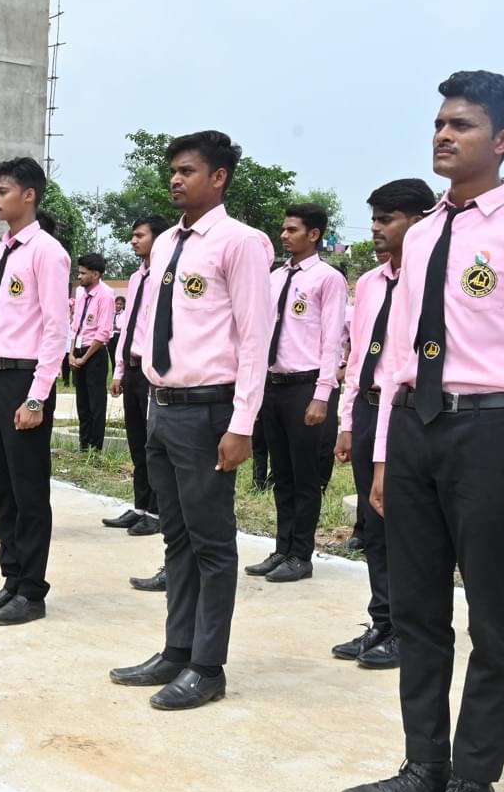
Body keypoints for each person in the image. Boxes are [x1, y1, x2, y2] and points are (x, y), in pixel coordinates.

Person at [340, 71, 504, 792]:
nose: (444, 134)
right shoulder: (424, 233)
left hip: (490, 433)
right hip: (412, 431)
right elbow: (397, 356)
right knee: (417, 609)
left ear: (503, 140)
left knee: (495, 616)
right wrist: (381, 458)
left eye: (463, 125)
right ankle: (423, 765)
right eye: (440, 122)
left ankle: (475, 781)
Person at [107, 130, 271, 711]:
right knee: (174, 536)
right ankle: (176, 650)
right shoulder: (168, 246)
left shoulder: (241, 243)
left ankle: (208, 664)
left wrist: (243, 422)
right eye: (172, 170)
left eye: (188, 170)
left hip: (209, 409)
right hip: (162, 405)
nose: (175, 179)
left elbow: (254, 338)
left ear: (219, 177)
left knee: (211, 542)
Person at [330, 179, 433, 670]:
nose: (375, 228)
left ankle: (409, 629)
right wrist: (348, 420)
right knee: (373, 525)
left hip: (409, 412)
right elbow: (359, 357)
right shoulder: (370, 284)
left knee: (404, 526)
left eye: (386, 219)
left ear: (417, 220)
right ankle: (383, 620)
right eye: (373, 218)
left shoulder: (432, 276)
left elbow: (404, 361)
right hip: (370, 408)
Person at [0, 157, 70, 626]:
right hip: (0, 376)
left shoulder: (48, 252)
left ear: (28, 195)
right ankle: (11, 578)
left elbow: (55, 327)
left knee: (28, 489)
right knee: (3, 488)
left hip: (28, 378)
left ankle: (32, 589)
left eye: (3, 190)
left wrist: (37, 396)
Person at [245, 203, 348, 584]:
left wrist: (322, 394)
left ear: (314, 234)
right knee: (281, 474)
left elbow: (332, 340)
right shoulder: (273, 278)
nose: (284, 235)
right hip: (274, 386)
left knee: (305, 477)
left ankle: (301, 554)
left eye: (292, 230)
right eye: (283, 229)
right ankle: (282, 547)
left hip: (306, 387)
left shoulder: (327, 278)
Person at [108, 215, 171, 553]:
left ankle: (158, 511)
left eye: (139, 235)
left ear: (157, 239)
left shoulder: (166, 276)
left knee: (153, 444)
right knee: (136, 441)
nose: (133, 241)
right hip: (131, 368)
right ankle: (140, 506)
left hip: (151, 371)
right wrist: (119, 370)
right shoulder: (135, 278)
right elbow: (128, 325)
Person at [69, 252, 116, 451]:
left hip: (94, 353)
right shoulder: (80, 293)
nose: (79, 276)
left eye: (83, 273)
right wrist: (72, 353)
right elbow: (75, 325)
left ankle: (95, 446)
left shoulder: (106, 295)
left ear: (95, 275)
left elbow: (103, 331)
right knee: (82, 401)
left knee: (96, 401)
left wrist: (85, 357)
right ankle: (83, 442)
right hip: (78, 350)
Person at [109, 295, 126, 364]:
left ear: (123, 305)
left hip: (119, 336)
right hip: (111, 337)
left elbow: (125, 327)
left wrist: (117, 327)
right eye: (117, 303)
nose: (118, 306)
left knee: (118, 357)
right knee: (112, 357)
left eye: (120, 304)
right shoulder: (111, 313)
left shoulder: (125, 314)